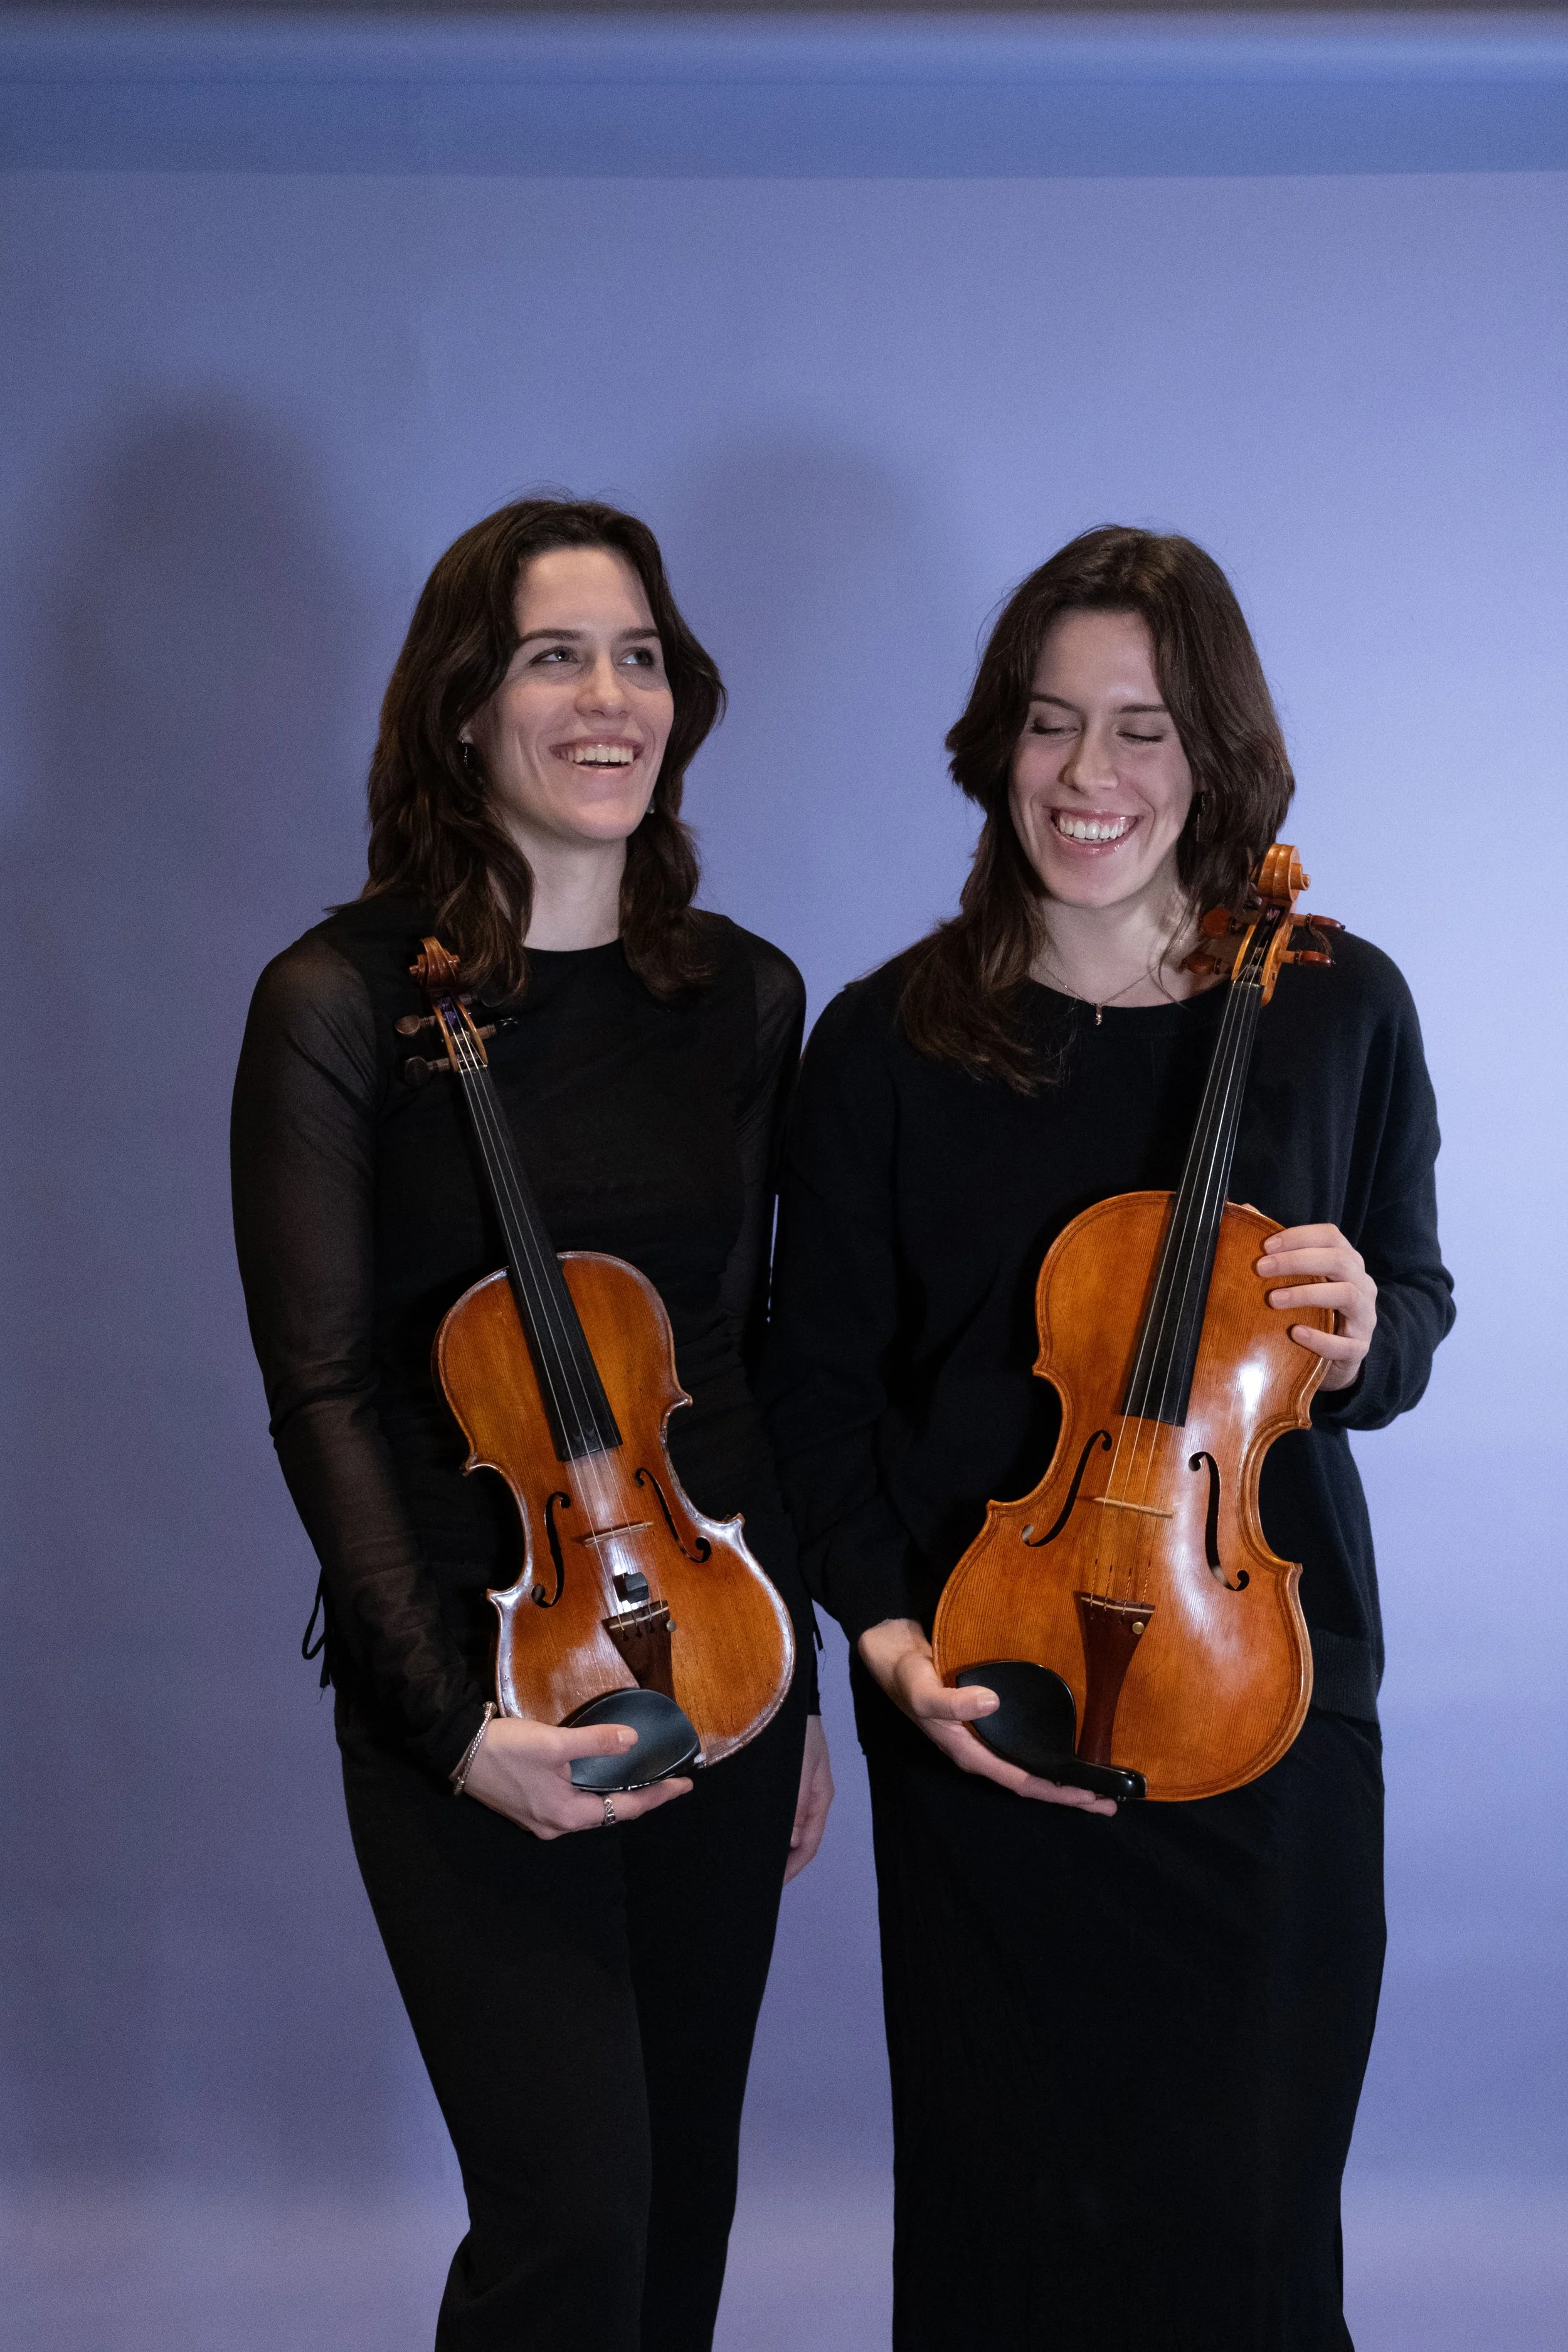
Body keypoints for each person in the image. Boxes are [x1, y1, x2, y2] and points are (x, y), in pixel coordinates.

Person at [761, 526, 1453, 2351]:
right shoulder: (884, 1043)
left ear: (1215, 753)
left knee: (1241, 2223)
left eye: (1142, 729)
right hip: (985, 1698)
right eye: (1051, 724)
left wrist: (1369, 1327)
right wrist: (885, 1639)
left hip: (1265, 1697)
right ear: (995, 744)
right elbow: (813, 1387)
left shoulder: (1338, 1008)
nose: (1089, 778)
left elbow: (1405, 1327)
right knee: (1005, 2224)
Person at [231, 497, 832, 2352]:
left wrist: (785, 1670)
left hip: (714, 1654)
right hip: (481, 1683)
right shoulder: (337, 1004)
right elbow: (322, 1386)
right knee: (572, 2214)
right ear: (465, 709)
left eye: (639, 654)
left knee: (686, 2205)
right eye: (553, 654)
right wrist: (448, 1725)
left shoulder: (736, 994)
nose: (607, 697)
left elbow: (729, 1361)